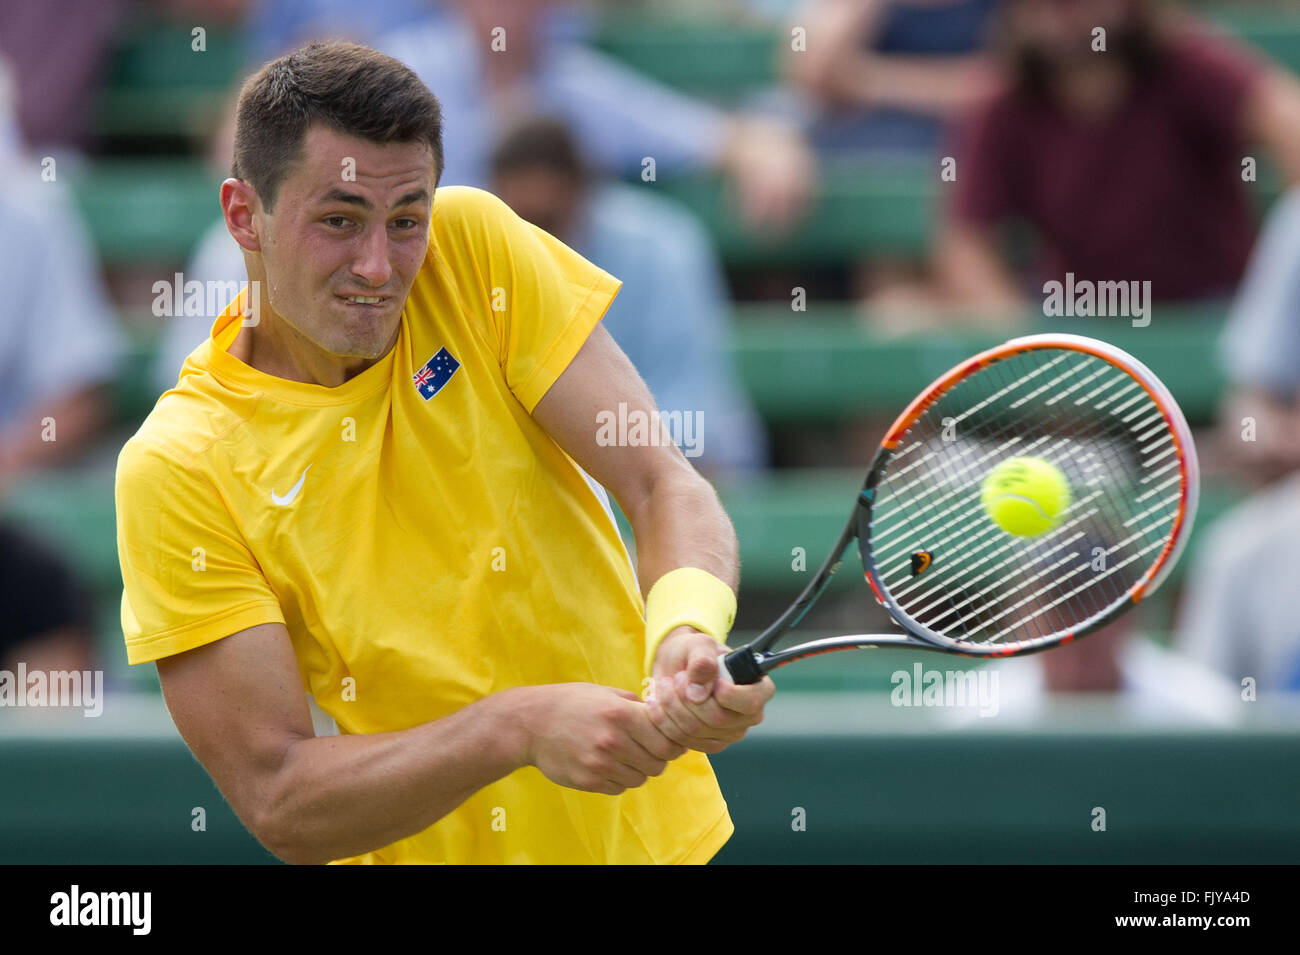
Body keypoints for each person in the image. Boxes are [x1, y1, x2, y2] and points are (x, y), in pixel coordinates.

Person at [115, 41, 773, 865]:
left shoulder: (476, 246)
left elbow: (661, 483)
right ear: (244, 214)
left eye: (405, 221)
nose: (378, 266)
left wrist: (686, 632)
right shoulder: (176, 468)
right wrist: (517, 728)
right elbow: (280, 796)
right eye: (338, 220)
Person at [489, 116, 767, 478]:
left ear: (582, 194)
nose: (536, 240)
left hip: (676, 469)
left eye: (547, 220)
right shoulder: (484, 253)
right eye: (520, 222)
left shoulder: (662, 249)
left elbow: (693, 424)